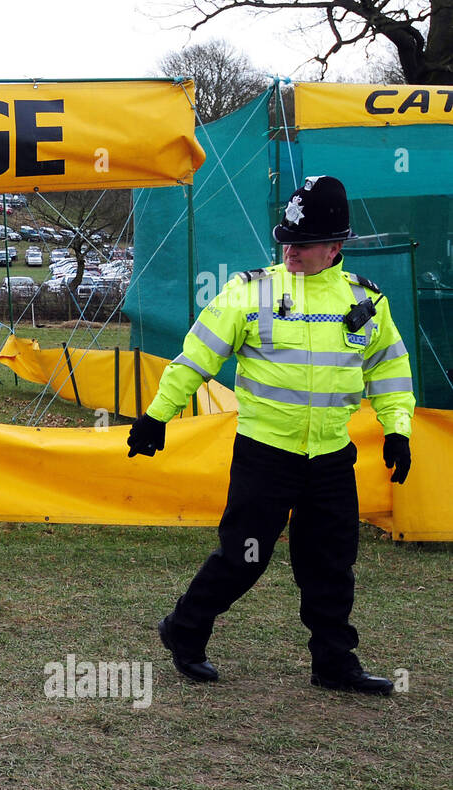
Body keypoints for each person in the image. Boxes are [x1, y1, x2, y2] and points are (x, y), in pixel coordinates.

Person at [127, 176, 414, 695]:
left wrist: (398, 431)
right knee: (245, 556)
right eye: (285, 238)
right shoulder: (250, 292)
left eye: (301, 243)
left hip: (330, 460)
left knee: (330, 564)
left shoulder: (367, 302)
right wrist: (156, 417)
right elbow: (196, 359)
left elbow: (391, 373)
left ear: (336, 247)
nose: (290, 250)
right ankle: (184, 630)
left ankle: (334, 661)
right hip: (266, 457)